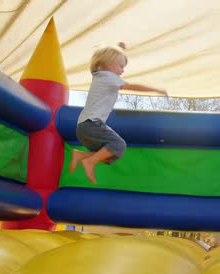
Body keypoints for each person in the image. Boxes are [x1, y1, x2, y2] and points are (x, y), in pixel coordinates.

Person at [69, 44, 167, 184]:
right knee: (119, 144)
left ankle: (81, 155)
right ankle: (90, 161)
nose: (123, 70)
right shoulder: (108, 76)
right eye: (121, 66)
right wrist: (156, 90)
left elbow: (109, 62)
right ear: (108, 64)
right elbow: (131, 87)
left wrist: (120, 49)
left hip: (84, 127)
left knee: (113, 153)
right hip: (91, 124)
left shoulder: (101, 76)